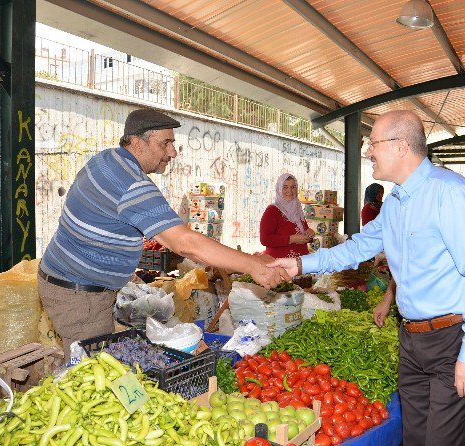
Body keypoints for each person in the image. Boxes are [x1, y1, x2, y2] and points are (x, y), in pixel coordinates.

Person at [271, 110, 465, 446]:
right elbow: (359, 247)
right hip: (412, 337)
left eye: (373, 143)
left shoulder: (448, 192)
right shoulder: (396, 203)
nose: (368, 151)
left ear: (401, 146)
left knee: (443, 440)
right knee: (415, 436)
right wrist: (300, 266)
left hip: (454, 336)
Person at [39, 108, 289, 353]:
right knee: (88, 375)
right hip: (79, 294)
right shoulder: (132, 183)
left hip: (66, 279)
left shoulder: (107, 159)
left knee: (88, 362)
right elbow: (185, 244)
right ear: (137, 142)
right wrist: (253, 265)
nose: (172, 152)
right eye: (165, 143)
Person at [259, 173, 315, 258]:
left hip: (299, 264)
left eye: (293, 187)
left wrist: (309, 234)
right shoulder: (272, 211)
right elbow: (265, 239)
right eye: (285, 187)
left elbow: (304, 233)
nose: (289, 191)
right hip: (279, 265)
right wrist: (291, 239)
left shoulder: (297, 210)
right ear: (279, 189)